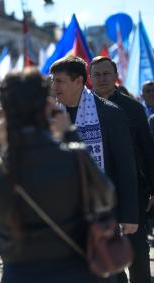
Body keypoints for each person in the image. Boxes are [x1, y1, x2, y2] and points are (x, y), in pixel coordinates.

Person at [0, 68, 115, 283]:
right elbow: (106, 199)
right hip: (76, 273)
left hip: (20, 274)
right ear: (47, 106)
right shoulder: (73, 156)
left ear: (5, 112)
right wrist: (71, 134)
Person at [49, 56, 139, 234]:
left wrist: (129, 216)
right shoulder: (50, 116)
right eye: (53, 81)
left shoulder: (110, 113)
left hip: (103, 215)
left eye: (60, 81)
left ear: (79, 81)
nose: (54, 87)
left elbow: (125, 167)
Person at [90, 56, 154, 283]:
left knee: (137, 256)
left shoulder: (133, 108)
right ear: (89, 78)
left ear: (116, 75)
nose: (102, 79)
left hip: (133, 192)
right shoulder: (82, 109)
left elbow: (148, 152)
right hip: (100, 198)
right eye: (96, 74)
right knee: (110, 262)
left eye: (106, 74)